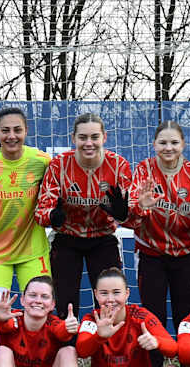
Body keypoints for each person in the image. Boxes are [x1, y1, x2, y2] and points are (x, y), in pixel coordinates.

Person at [0, 108, 51, 367]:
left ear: (26, 131)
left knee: (40, 316)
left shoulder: (42, 161)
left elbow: (56, 199)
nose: (11, 136)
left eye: (17, 130)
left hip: (33, 253)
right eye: (5, 130)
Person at [35, 112, 132, 322]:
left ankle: (107, 342)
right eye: (83, 137)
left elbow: (135, 217)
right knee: (65, 304)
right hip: (67, 238)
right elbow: (40, 213)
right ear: (73, 138)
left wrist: (124, 214)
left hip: (103, 238)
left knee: (109, 303)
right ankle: (68, 342)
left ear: (104, 137)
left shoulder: (118, 166)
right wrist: (53, 216)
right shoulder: (59, 165)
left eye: (94, 137)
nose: (89, 143)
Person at [129, 120, 190, 330]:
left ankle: (187, 352)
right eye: (163, 143)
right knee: (153, 316)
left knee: (187, 315)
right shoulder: (144, 170)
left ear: (183, 144)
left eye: (174, 142)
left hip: (185, 255)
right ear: (154, 144)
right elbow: (128, 216)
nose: (168, 148)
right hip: (150, 254)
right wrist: (140, 206)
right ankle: (156, 353)